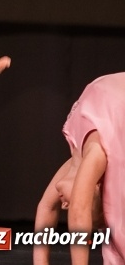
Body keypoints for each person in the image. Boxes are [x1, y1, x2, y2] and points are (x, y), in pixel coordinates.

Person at [34, 72, 125, 264]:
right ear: (95, 185)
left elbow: (46, 207)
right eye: (77, 198)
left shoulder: (77, 161)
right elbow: (78, 209)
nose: (65, 205)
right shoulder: (97, 154)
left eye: (66, 207)